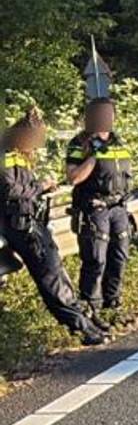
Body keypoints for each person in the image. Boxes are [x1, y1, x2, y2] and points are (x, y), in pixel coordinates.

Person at [0, 108, 107, 345]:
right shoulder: (5, 154)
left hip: (32, 223)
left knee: (56, 273)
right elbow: (10, 191)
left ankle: (84, 322)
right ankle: (82, 327)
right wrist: (41, 187)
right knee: (51, 276)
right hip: (21, 227)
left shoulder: (18, 154)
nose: (37, 146)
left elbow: (23, 188)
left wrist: (43, 188)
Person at [67, 98, 132, 314]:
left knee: (119, 258)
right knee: (95, 261)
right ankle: (91, 309)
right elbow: (74, 177)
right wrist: (94, 155)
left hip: (119, 208)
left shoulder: (119, 142)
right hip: (95, 209)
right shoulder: (79, 143)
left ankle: (112, 304)